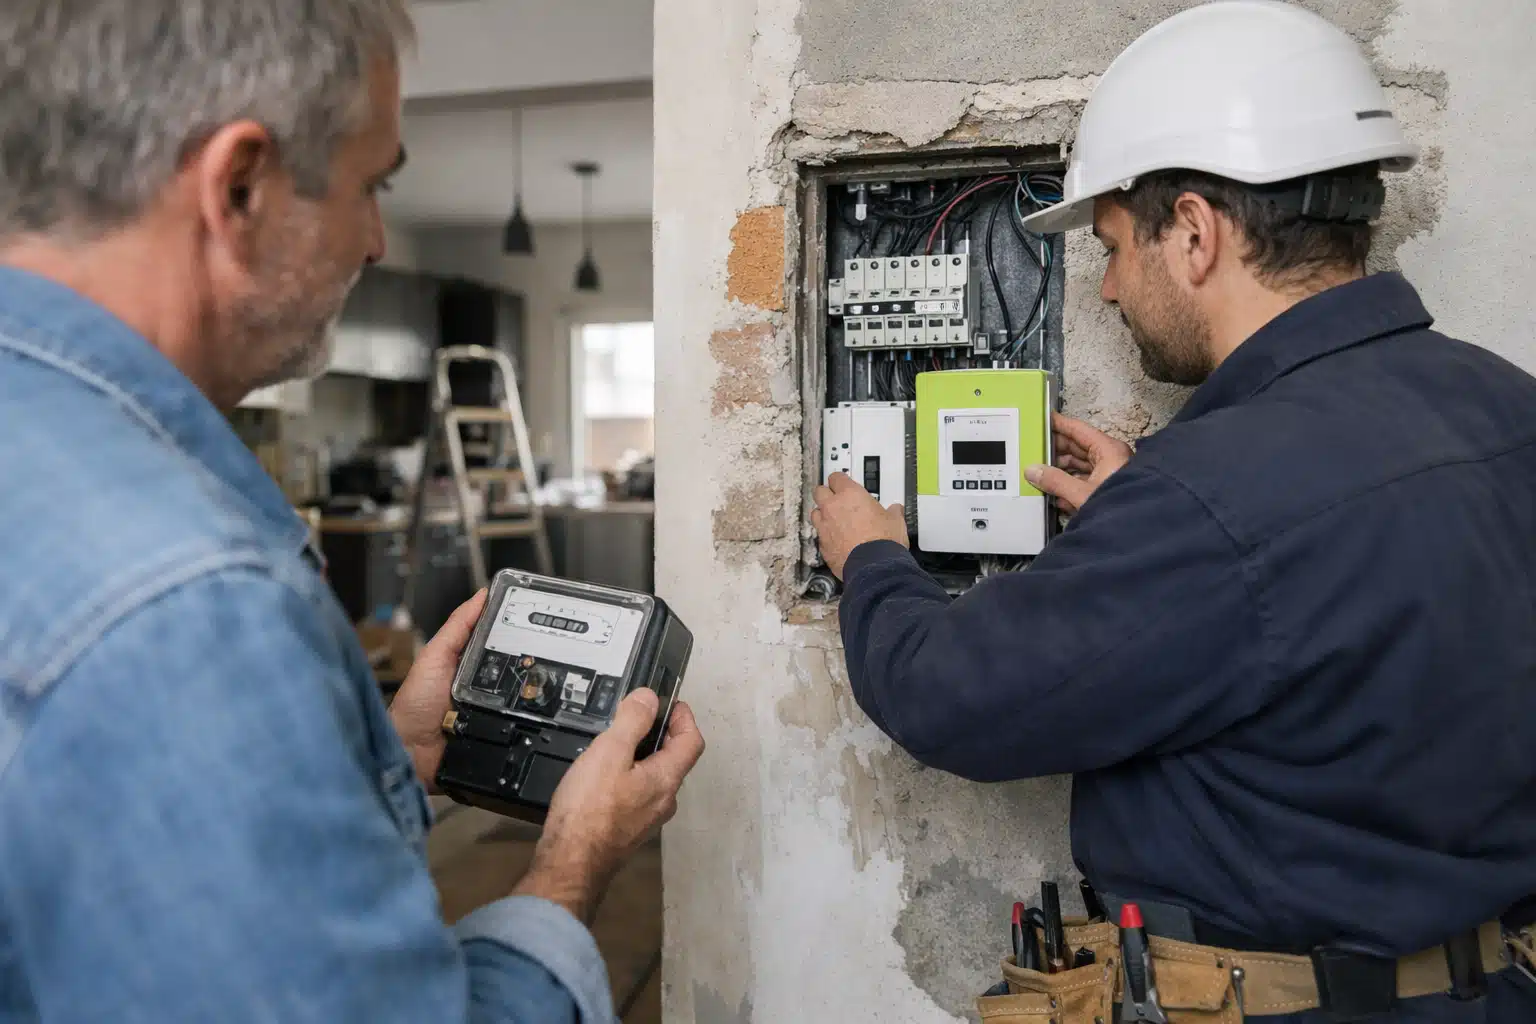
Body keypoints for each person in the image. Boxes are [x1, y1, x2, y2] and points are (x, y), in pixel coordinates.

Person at [813, 3, 1536, 1021]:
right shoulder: (1506, 404)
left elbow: (952, 696)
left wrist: (874, 559)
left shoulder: (1215, 497)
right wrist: (1151, 521)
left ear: (1195, 233)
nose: (1106, 289)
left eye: (1112, 245)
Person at [0, 3, 704, 1021]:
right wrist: (571, 863)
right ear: (238, 186)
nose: (378, 240)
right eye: (375, 185)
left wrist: (381, 754)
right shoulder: (193, 610)